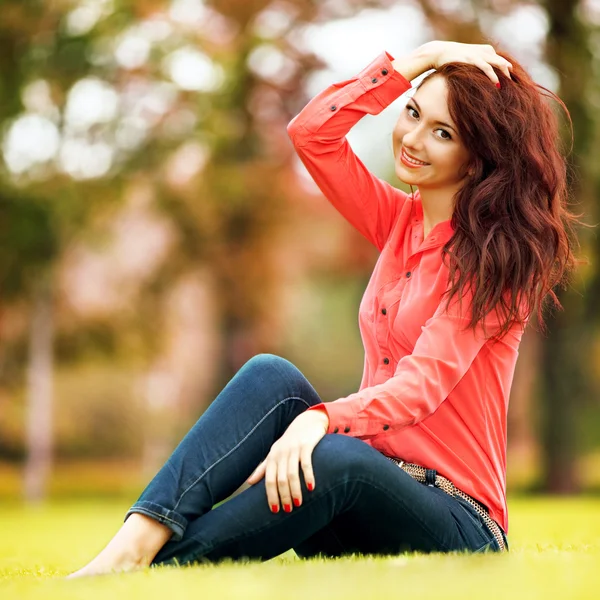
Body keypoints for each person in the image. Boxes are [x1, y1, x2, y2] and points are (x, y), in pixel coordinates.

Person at [68, 40, 579, 577]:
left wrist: (323, 419)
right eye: (413, 114)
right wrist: (420, 59)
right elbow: (312, 134)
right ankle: (132, 546)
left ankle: (153, 572)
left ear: (479, 159)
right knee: (272, 377)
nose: (413, 139)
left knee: (333, 454)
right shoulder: (398, 226)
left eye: (443, 133)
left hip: (458, 520)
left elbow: (421, 387)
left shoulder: (495, 265)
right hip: (360, 497)